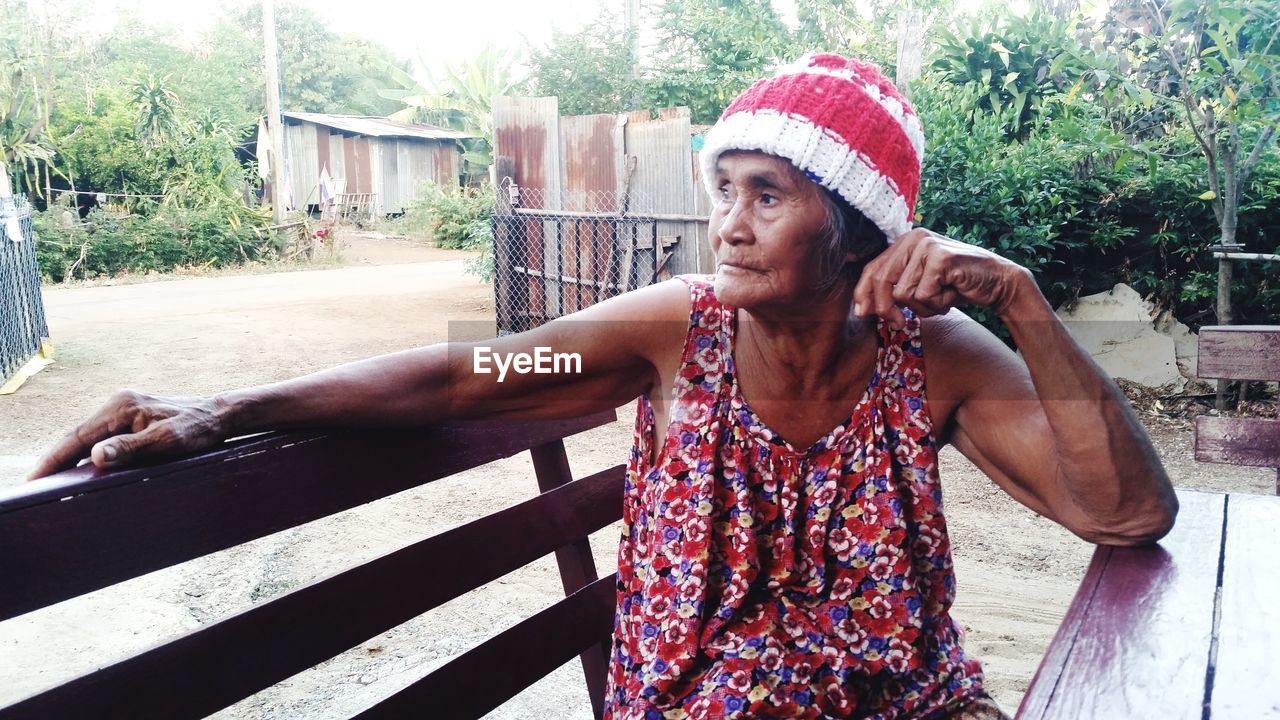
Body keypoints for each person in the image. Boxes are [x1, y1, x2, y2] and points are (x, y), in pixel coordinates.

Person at [30, 54, 1177, 719]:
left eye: (768, 193)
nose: (726, 223)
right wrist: (230, 408)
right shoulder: (678, 332)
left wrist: (1020, 304)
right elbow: (473, 369)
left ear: (859, 229)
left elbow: (1122, 513)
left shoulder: (938, 363)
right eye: (720, 186)